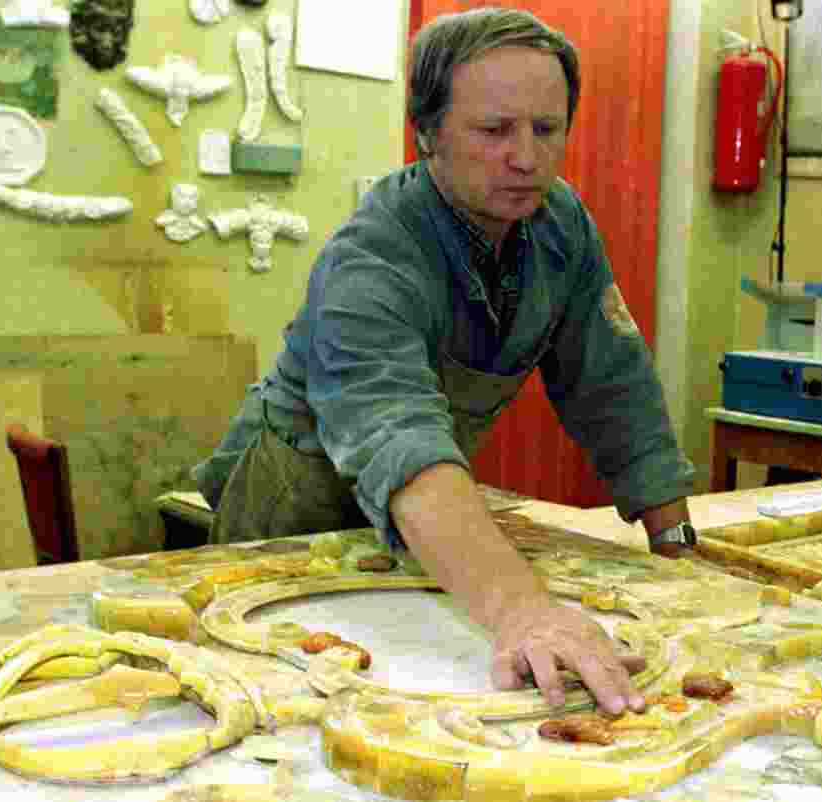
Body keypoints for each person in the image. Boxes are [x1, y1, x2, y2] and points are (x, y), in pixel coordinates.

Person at [193, 7, 697, 717]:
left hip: (431, 525)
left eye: (546, 129)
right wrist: (523, 609)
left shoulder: (561, 226)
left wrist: (675, 542)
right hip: (295, 512)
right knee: (300, 709)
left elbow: (611, 380)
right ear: (427, 133)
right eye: (494, 130)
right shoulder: (369, 259)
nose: (527, 157)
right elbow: (400, 436)